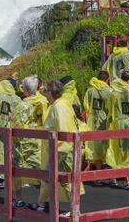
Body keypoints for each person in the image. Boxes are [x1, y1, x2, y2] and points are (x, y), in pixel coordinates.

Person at [34, 80, 83, 212]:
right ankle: (41, 203)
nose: (43, 92)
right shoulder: (60, 105)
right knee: (48, 177)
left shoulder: (58, 107)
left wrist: (59, 149)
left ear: (50, 93)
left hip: (61, 149)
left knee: (65, 181)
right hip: (58, 148)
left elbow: (62, 130)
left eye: (45, 90)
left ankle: (74, 210)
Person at [11, 77, 47, 207]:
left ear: (25, 89)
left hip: (24, 143)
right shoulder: (43, 102)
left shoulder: (24, 105)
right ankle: (43, 200)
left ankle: (19, 199)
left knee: (16, 170)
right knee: (42, 170)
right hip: (41, 141)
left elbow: (17, 124)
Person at [105, 70, 129, 189]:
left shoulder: (114, 93)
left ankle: (113, 176)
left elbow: (109, 108)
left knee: (116, 149)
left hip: (118, 123)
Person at [82, 71, 112, 173]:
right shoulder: (110, 91)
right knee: (108, 146)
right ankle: (112, 176)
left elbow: (86, 105)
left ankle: (98, 174)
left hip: (93, 121)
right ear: (107, 80)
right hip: (105, 121)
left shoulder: (90, 91)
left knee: (96, 147)